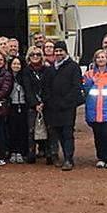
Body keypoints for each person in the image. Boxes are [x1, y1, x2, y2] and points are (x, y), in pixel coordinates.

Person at [40, 40, 84, 171]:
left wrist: (65, 102)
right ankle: (61, 156)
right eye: (57, 51)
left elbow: (76, 87)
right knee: (57, 133)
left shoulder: (73, 67)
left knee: (67, 133)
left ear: (66, 52)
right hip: (53, 108)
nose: (58, 53)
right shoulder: (51, 69)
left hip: (67, 108)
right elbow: (45, 87)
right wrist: (49, 101)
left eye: (61, 51)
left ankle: (69, 159)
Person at [20, 48, 51, 163]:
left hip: (46, 104)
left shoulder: (47, 70)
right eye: (32, 54)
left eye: (38, 54)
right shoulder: (26, 71)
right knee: (31, 130)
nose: (35, 56)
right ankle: (31, 154)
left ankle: (49, 154)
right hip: (32, 105)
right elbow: (27, 89)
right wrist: (35, 104)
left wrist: (44, 102)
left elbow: (49, 87)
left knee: (48, 129)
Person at [6, 55, 31, 163]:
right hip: (11, 106)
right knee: (12, 129)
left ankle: (20, 152)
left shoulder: (24, 76)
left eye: (18, 64)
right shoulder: (7, 76)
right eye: (14, 64)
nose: (16, 66)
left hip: (23, 105)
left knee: (22, 129)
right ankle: (13, 152)